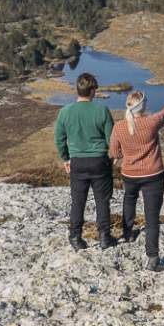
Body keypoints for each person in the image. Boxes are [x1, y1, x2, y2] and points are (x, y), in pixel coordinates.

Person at [110, 86, 164, 270]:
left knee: (129, 199)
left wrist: (127, 153)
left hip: (130, 174)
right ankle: (152, 257)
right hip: (153, 175)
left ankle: (128, 233)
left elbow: (114, 153)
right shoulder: (151, 122)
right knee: (151, 218)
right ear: (143, 106)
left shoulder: (119, 127)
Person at [55, 71, 116, 250]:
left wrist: (65, 158)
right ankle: (104, 237)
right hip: (99, 162)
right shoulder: (102, 111)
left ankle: (75, 237)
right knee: (102, 201)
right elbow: (111, 140)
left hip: (77, 163)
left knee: (78, 201)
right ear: (92, 91)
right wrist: (112, 156)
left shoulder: (65, 112)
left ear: (78, 90)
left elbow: (59, 139)